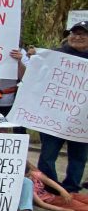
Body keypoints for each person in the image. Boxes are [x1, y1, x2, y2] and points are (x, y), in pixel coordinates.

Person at [35, 21, 88, 192]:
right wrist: (33, 58)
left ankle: (71, 188)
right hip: (54, 115)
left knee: (79, 156)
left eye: (82, 34)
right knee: (48, 154)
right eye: (74, 33)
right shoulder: (54, 55)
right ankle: (49, 187)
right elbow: (37, 77)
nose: (77, 37)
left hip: (82, 119)